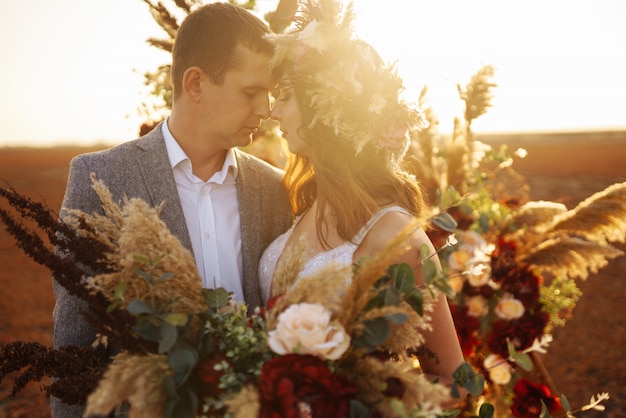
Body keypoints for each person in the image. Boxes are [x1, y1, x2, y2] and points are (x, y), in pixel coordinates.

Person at [51, 3, 292, 417]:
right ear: (195, 84)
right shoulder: (99, 178)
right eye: (251, 92)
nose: (266, 109)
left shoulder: (273, 188)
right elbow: (74, 344)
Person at [258, 0, 466, 394]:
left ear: (323, 107)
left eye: (285, 96)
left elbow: (455, 383)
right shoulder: (299, 204)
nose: (273, 112)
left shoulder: (395, 234)